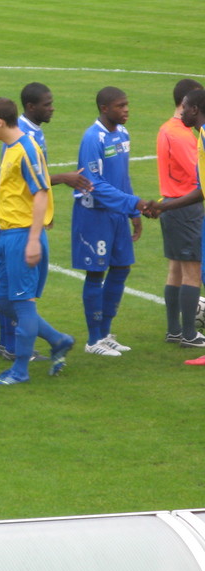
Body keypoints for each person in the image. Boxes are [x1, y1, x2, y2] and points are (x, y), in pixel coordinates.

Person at [0, 83, 93, 361]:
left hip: (24, 219)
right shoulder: (22, 137)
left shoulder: (32, 132)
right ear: (30, 107)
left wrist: (44, 216)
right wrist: (63, 178)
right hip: (14, 222)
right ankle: (13, 349)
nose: (52, 108)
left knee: (13, 292)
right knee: (15, 292)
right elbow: (30, 182)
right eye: (47, 104)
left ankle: (25, 345)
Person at [0, 97, 75, 385]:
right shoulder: (10, 148)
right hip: (8, 236)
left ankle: (20, 370)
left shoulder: (26, 149)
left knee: (22, 304)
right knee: (2, 302)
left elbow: (41, 193)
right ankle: (58, 340)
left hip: (23, 236)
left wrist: (34, 240)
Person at [72, 86, 149, 356]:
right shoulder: (93, 138)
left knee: (121, 268)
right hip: (94, 215)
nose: (126, 109)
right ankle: (93, 340)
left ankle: (105, 333)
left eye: (127, 104)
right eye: (120, 106)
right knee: (96, 272)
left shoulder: (123, 134)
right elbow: (94, 185)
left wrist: (134, 213)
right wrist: (133, 203)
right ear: (104, 108)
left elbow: (123, 178)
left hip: (118, 214)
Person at [145, 88, 205, 366]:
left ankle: (174, 330)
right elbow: (199, 183)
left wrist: (161, 204)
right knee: (192, 272)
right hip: (184, 208)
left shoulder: (166, 129)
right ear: (185, 104)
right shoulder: (184, 135)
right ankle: (189, 334)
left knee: (176, 270)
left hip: (170, 202)